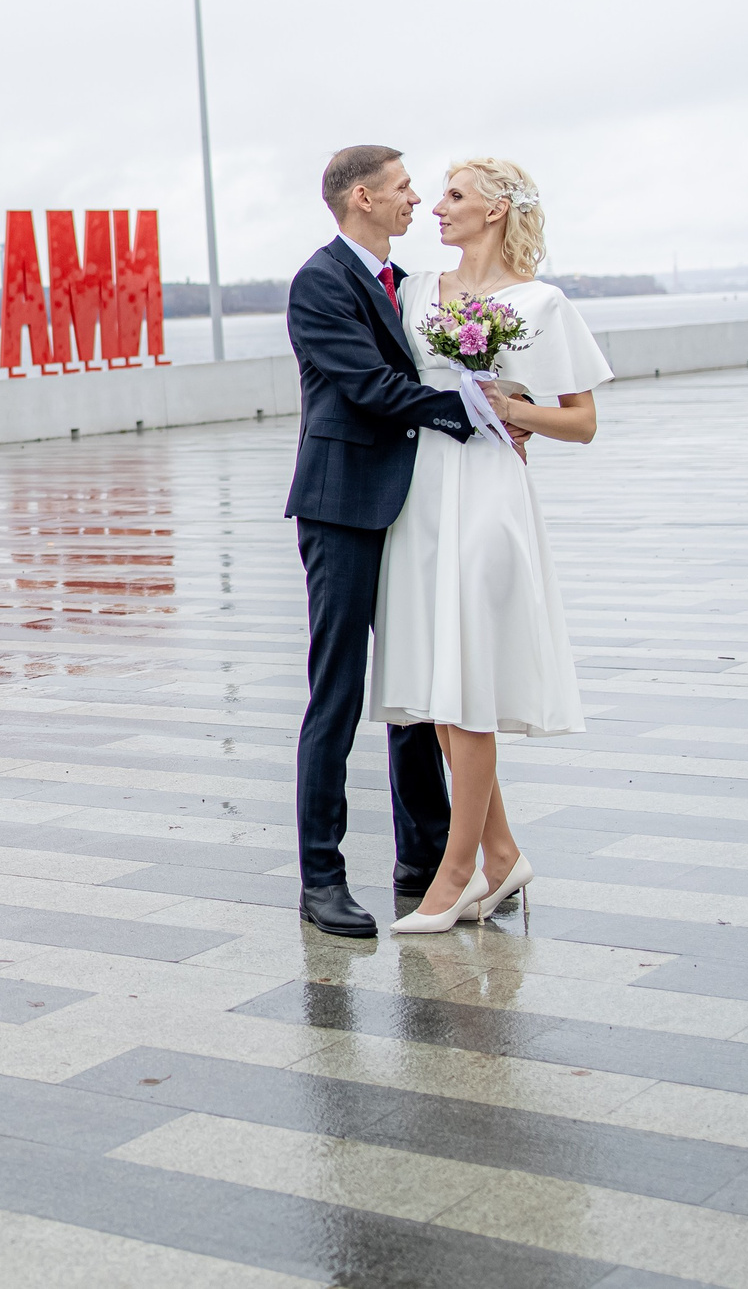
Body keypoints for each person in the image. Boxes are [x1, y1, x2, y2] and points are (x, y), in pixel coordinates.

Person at [373, 157, 610, 933]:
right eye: (438, 193)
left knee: (468, 684)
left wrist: (516, 408)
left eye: (454, 196)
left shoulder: (540, 302)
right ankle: (504, 856)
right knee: (446, 689)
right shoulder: (414, 293)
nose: (436, 208)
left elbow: (580, 419)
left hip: (490, 493)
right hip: (425, 495)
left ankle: (456, 873)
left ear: (497, 209)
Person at [284, 145, 482, 938]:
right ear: (362, 197)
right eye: (404, 188)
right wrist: (468, 412)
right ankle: (320, 880)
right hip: (341, 508)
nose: (416, 199)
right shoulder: (320, 282)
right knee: (337, 694)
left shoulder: (408, 286)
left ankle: (425, 856)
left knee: (413, 688)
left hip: (409, 507)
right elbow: (367, 385)